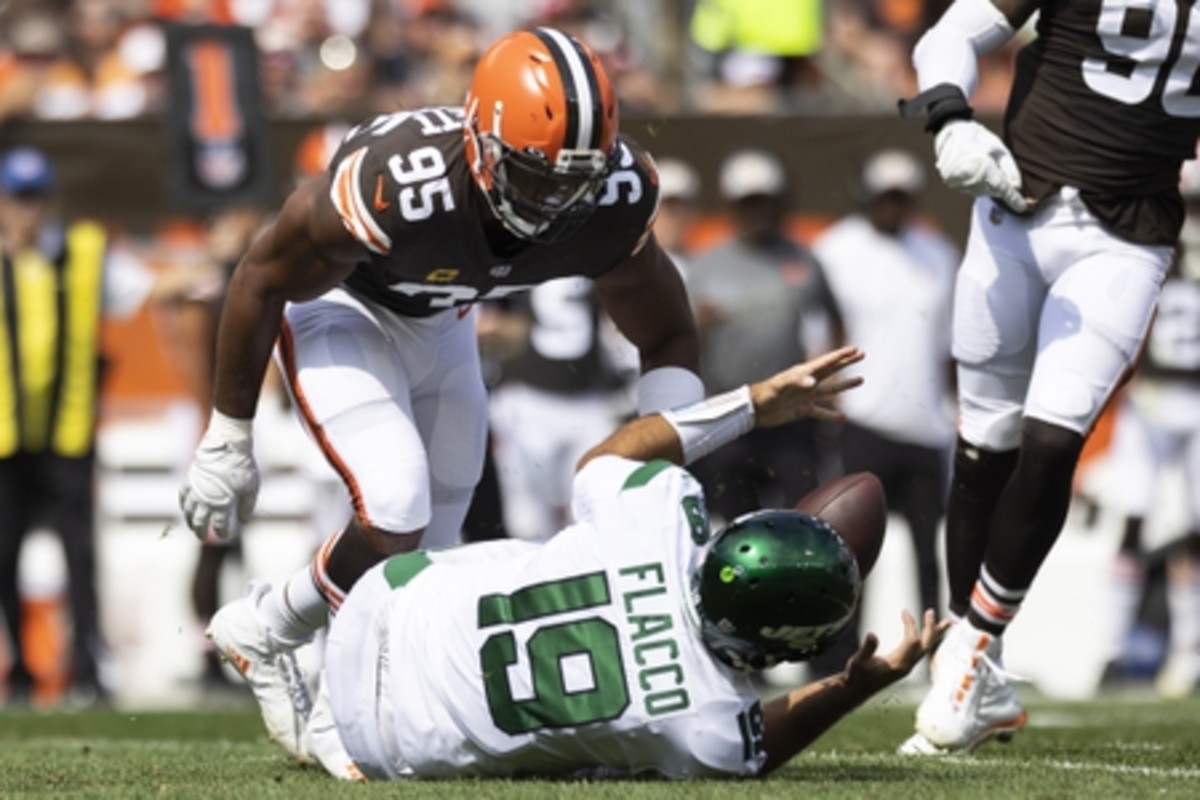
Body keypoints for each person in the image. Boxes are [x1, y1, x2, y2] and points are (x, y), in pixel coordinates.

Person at [179, 27, 703, 759]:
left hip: (445, 321)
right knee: (395, 502)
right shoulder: (403, 180)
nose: (553, 200)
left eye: (572, 180)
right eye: (535, 174)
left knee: (429, 549)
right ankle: (280, 632)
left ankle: (312, 669)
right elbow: (260, 274)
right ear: (481, 140)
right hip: (347, 308)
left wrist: (668, 457)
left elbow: (669, 336)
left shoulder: (614, 197)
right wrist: (228, 433)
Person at [303, 345, 946, 781]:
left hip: (380, 598)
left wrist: (753, 402)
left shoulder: (658, 516)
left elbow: (609, 457)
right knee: (611, 755)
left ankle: (288, 616)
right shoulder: (706, 722)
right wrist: (855, 685)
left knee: (531, 557)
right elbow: (760, 744)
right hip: (389, 749)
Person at [896, 0, 1195, 755]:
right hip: (1014, 207)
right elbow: (953, 33)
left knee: (1054, 439)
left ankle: (968, 647)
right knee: (983, 447)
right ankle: (979, 678)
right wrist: (950, 119)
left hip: (1127, 236)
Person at [0, 145, 201, 706]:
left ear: (52, 201)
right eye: (18, 200)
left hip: (69, 436)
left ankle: (87, 671)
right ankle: (17, 672)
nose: (28, 212)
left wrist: (219, 264)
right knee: (4, 556)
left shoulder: (86, 253)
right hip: (5, 439)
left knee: (80, 557)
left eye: (36, 199)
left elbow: (150, 286)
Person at [809, 147, 957, 676]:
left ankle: (937, 658)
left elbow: (948, 345)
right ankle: (842, 657)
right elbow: (820, 335)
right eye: (884, 196)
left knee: (928, 551)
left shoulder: (937, 253)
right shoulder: (836, 249)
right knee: (852, 548)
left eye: (902, 197)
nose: (893, 206)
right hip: (862, 420)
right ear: (866, 197)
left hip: (926, 424)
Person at [685, 147, 843, 524]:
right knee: (735, 527)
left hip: (792, 414)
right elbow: (681, 339)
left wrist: (830, 377)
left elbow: (834, 318)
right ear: (731, 205)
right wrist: (698, 325)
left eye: (766, 202)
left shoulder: (804, 259)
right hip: (728, 416)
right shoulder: (705, 266)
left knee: (803, 518)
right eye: (748, 203)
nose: (758, 213)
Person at [1100, 163, 1200, 698]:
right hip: (1155, 397)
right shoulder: (1157, 245)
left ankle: (1190, 654)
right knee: (1133, 517)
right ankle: (1115, 648)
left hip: (1195, 398)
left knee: (1194, 531)